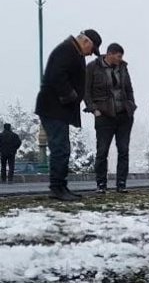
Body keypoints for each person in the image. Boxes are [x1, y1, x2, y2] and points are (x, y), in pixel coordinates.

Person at [36, 29, 102, 201]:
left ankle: (61, 186)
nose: (90, 54)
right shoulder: (66, 50)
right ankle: (57, 188)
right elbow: (56, 75)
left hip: (58, 109)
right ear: (86, 42)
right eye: (92, 49)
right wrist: (70, 95)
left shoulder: (73, 51)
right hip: (53, 108)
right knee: (60, 148)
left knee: (62, 148)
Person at [84, 43, 137, 193]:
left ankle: (121, 184)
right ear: (110, 54)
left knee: (123, 150)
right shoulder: (92, 68)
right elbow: (86, 91)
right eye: (119, 56)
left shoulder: (123, 68)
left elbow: (129, 89)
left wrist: (131, 106)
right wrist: (94, 110)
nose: (121, 59)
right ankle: (101, 184)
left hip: (124, 116)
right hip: (104, 116)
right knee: (102, 151)